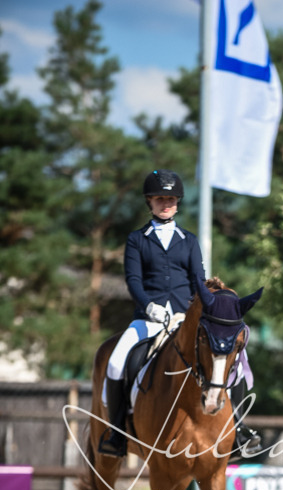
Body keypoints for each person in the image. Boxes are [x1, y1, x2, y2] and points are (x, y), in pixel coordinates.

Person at [98, 168, 260, 457]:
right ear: (149, 201)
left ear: (178, 202)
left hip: (185, 318)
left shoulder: (188, 239)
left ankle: (238, 429)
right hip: (148, 319)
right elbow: (133, 280)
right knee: (115, 363)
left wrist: (200, 308)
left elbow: (199, 278)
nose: (166, 204)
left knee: (225, 358)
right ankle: (117, 434)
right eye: (160, 199)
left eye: (171, 199)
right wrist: (150, 307)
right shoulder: (138, 239)